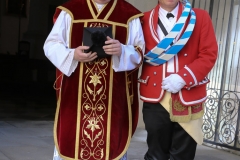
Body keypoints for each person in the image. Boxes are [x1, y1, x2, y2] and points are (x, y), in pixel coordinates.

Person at [43, 0, 145, 159]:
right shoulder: (70, 11)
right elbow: (51, 45)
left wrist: (122, 50)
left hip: (112, 103)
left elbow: (139, 53)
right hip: (75, 100)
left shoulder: (129, 15)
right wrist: (72, 55)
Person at [138, 0, 218, 159]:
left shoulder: (199, 17)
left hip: (188, 95)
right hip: (155, 96)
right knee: (155, 154)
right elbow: (136, 54)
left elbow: (209, 54)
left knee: (183, 155)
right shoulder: (142, 19)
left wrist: (184, 77)